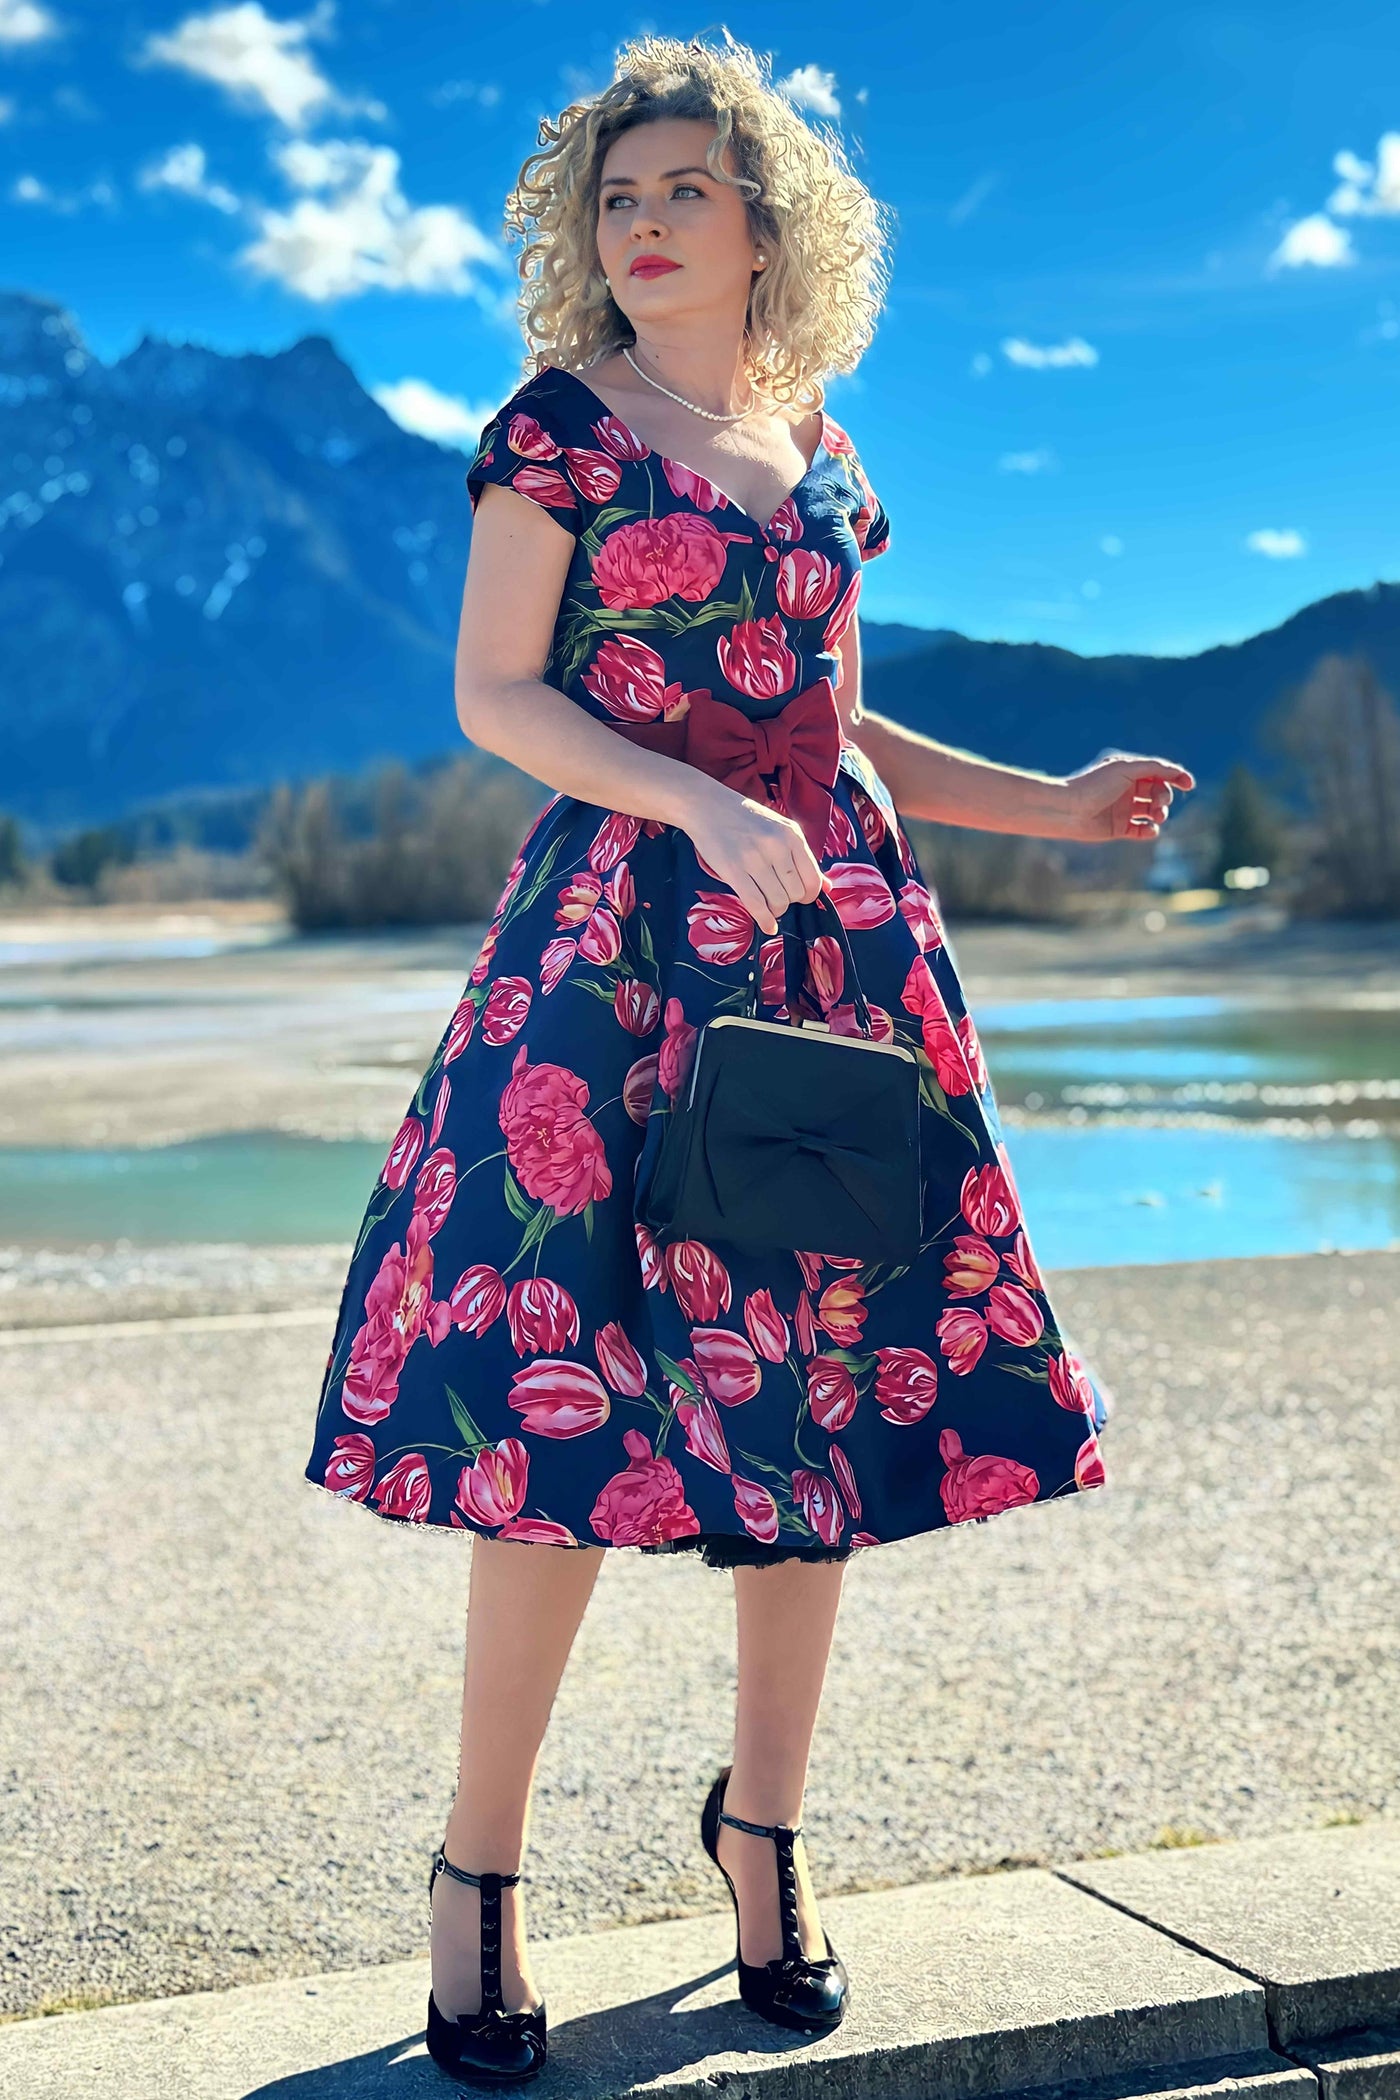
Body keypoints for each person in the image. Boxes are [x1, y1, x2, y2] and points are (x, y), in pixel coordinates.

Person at [302, 31, 1195, 2088]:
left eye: (685, 190)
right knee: (557, 1422)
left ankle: (765, 1841)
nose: (643, 224)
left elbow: (839, 727)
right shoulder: (556, 433)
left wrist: (1049, 807)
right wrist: (687, 809)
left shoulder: (817, 438)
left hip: (832, 956)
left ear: (765, 221)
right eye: (617, 198)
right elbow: (496, 695)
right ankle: (477, 1874)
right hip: (610, 969)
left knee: (812, 1404)